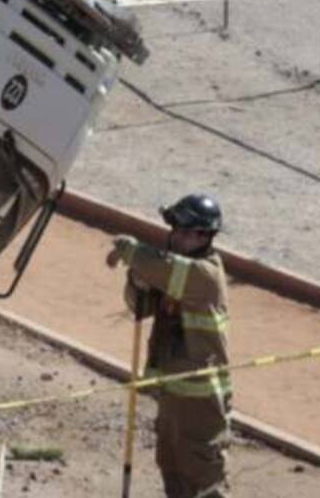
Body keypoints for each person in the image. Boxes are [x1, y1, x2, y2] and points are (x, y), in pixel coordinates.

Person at [106, 193, 232, 498]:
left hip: (201, 396)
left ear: (205, 236)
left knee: (202, 476)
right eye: (175, 229)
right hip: (173, 390)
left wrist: (133, 254)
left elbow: (165, 268)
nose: (177, 236)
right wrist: (137, 283)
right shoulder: (174, 270)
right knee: (171, 466)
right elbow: (141, 306)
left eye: (186, 231)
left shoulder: (205, 274)